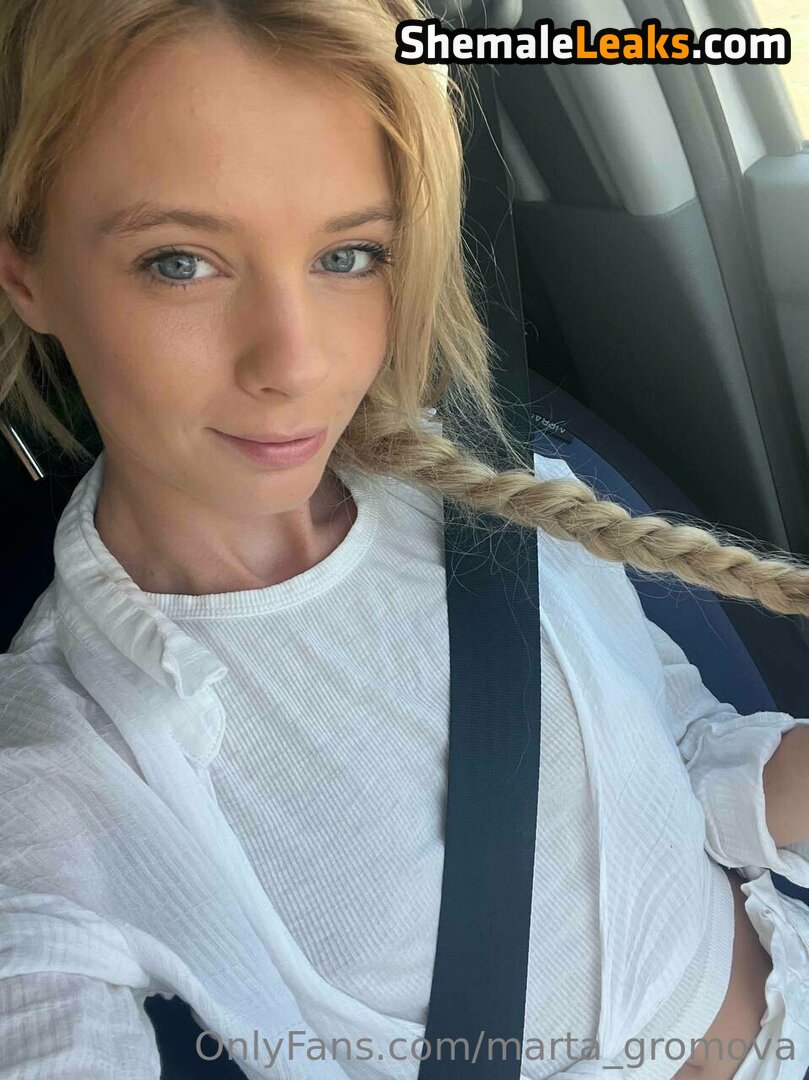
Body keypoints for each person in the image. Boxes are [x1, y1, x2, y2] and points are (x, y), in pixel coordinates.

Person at [0, 1, 807, 1078]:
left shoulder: (508, 500)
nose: (294, 362)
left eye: (348, 254)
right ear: (26, 273)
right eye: (179, 262)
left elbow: (677, 760)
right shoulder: (56, 768)